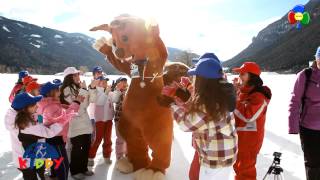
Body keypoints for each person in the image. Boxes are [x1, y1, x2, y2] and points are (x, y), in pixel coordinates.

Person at [162, 53, 237, 180]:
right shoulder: (217, 94)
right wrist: (180, 103)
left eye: (195, 76)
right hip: (220, 154)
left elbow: (186, 124)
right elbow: (198, 115)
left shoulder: (210, 102)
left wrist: (172, 104)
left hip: (217, 159)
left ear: (203, 80)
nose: (193, 79)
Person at [5, 93, 67, 180]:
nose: (37, 106)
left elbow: (39, 125)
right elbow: (48, 133)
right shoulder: (26, 124)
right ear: (25, 108)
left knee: (35, 175)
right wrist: (62, 122)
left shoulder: (17, 118)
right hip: (29, 161)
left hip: (23, 159)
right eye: (34, 105)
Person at [232, 62, 272, 180]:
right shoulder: (243, 91)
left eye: (243, 74)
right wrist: (236, 91)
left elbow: (248, 116)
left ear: (252, 76)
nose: (239, 76)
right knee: (238, 167)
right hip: (239, 136)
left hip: (250, 140)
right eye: (239, 73)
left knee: (245, 170)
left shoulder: (259, 96)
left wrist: (234, 98)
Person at [37, 79, 82, 180]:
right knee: (63, 164)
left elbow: (54, 109)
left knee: (55, 161)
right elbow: (64, 117)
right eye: (57, 89)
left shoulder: (47, 103)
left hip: (53, 137)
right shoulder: (51, 107)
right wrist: (76, 102)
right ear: (51, 92)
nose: (60, 91)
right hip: (56, 138)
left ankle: (53, 176)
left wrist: (64, 106)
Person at [60, 67, 98, 180]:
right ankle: (75, 171)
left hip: (85, 124)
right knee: (77, 149)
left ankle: (83, 168)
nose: (78, 77)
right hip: (75, 125)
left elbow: (92, 100)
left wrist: (92, 88)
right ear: (69, 77)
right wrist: (84, 90)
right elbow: (77, 109)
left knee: (86, 147)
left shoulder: (80, 87)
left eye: (78, 74)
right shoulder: (66, 90)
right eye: (75, 75)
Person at [288, 47, 320, 180]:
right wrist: (293, 126)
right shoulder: (305, 75)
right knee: (313, 166)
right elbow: (295, 101)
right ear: (316, 58)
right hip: (309, 129)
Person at [88, 75, 115, 166]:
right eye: (102, 82)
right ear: (98, 83)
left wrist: (117, 91)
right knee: (97, 139)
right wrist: (106, 93)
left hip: (108, 120)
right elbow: (100, 102)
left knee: (108, 139)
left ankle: (107, 156)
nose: (105, 83)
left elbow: (115, 99)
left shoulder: (109, 92)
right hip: (99, 120)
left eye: (106, 82)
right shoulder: (96, 92)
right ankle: (90, 157)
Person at [112, 77, 128, 162]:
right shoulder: (116, 91)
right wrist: (118, 90)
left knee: (127, 138)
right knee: (120, 138)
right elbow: (114, 99)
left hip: (128, 120)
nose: (124, 84)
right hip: (119, 119)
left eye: (125, 82)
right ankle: (119, 156)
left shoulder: (129, 91)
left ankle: (127, 154)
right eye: (122, 82)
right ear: (118, 83)